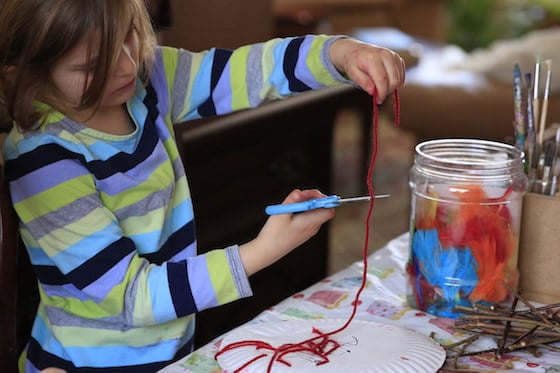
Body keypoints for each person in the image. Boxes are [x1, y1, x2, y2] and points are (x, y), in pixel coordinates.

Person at [0, 0, 406, 371]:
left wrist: (337, 53)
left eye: (129, 36)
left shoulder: (149, 79)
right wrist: (261, 251)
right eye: (92, 67)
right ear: (25, 74)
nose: (125, 66)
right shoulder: (43, 160)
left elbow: (250, 71)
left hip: (173, 347)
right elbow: (131, 297)